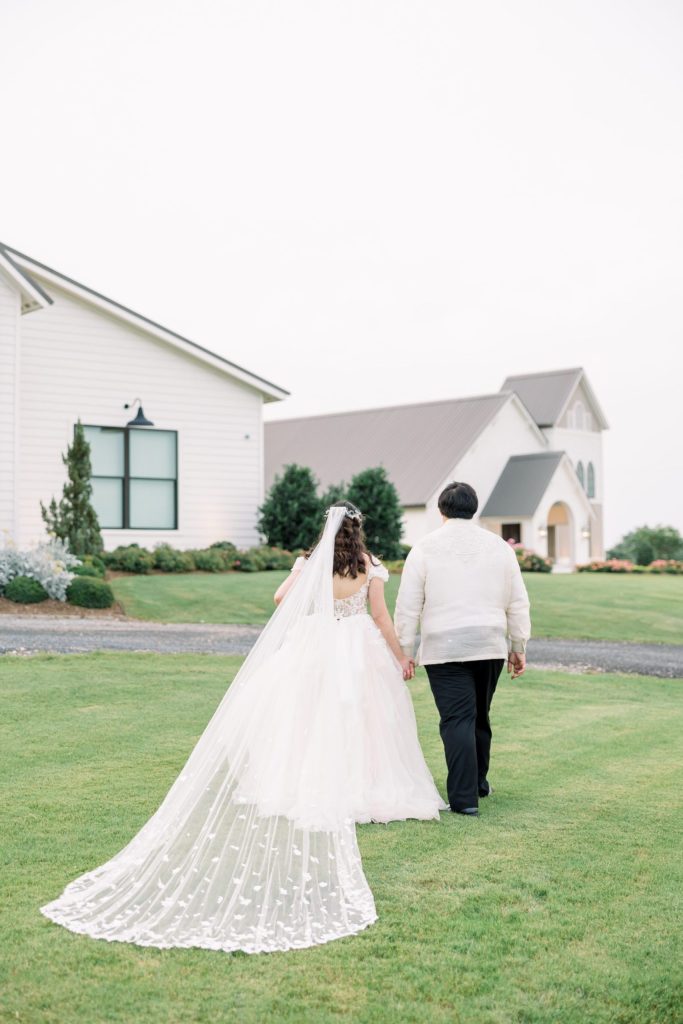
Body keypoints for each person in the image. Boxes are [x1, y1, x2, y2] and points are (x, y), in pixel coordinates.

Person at [41, 502, 445, 954]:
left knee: (306, 720)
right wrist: (399, 655)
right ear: (359, 530)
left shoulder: (310, 563)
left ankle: (304, 782)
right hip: (355, 647)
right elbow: (381, 618)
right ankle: (363, 786)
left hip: (313, 645)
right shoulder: (370, 568)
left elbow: (279, 599)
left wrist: (310, 588)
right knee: (364, 722)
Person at [394, 482, 531, 817]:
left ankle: (465, 796)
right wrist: (518, 646)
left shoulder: (425, 548)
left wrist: (404, 648)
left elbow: (408, 605)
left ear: (441, 510)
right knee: (479, 716)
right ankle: (478, 783)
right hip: (489, 642)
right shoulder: (499, 547)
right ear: (474, 509)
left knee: (457, 718)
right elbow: (518, 602)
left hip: (445, 645)